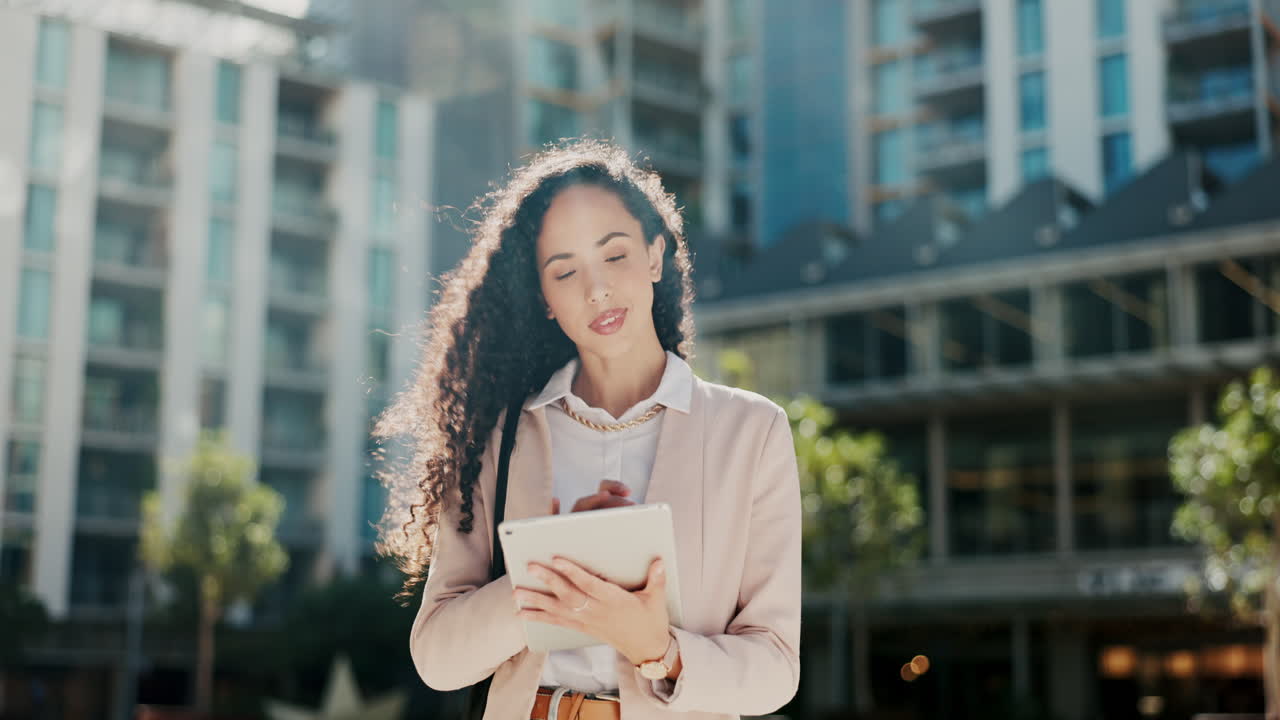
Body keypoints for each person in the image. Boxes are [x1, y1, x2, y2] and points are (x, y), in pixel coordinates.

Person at [375, 140, 801, 720]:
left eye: (615, 256)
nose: (595, 289)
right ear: (545, 298)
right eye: (565, 271)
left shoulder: (751, 432)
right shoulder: (500, 436)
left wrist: (659, 650)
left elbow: (776, 666)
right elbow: (437, 658)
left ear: (654, 257)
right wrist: (551, 566)